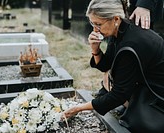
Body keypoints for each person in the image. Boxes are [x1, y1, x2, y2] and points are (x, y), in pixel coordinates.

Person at [62, 0, 164, 132]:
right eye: (92, 23)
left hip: (157, 97)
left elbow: (119, 94)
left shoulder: (131, 43)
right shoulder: (120, 30)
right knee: (108, 79)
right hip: (146, 84)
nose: (95, 29)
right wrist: (95, 49)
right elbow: (105, 66)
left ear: (115, 18)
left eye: (98, 24)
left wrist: (79, 108)